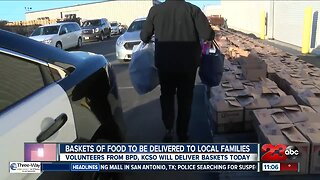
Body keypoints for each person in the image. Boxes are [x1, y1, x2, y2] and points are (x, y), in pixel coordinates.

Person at [140, 0, 215, 142]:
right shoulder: (193, 10)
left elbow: (144, 36)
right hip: (187, 65)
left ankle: (169, 129)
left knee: (167, 96)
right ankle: (182, 133)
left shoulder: (156, 11)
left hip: (165, 64)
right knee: (185, 99)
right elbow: (207, 34)